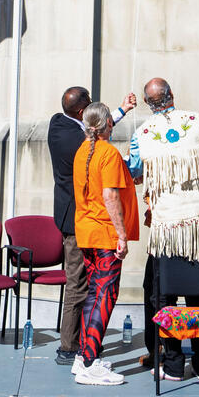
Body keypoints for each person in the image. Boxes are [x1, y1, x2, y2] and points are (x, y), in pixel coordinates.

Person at [128, 77, 199, 382]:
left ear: (148, 103)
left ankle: (172, 363)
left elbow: (135, 172)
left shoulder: (141, 134)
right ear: (172, 96)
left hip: (167, 228)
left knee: (164, 296)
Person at [47, 84, 136, 365]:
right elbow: (97, 149)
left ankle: (84, 345)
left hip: (81, 220)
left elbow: (94, 130)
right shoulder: (80, 143)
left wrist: (121, 110)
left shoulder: (58, 123)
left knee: (90, 287)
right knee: (81, 285)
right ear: (83, 112)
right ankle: (70, 348)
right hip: (83, 221)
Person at [71, 102, 140, 386]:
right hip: (104, 234)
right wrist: (122, 235)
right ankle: (89, 361)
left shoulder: (83, 150)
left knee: (94, 295)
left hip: (87, 231)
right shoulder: (108, 152)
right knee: (104, 296)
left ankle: (83, 356)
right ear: (107, 124)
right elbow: (110, 196)